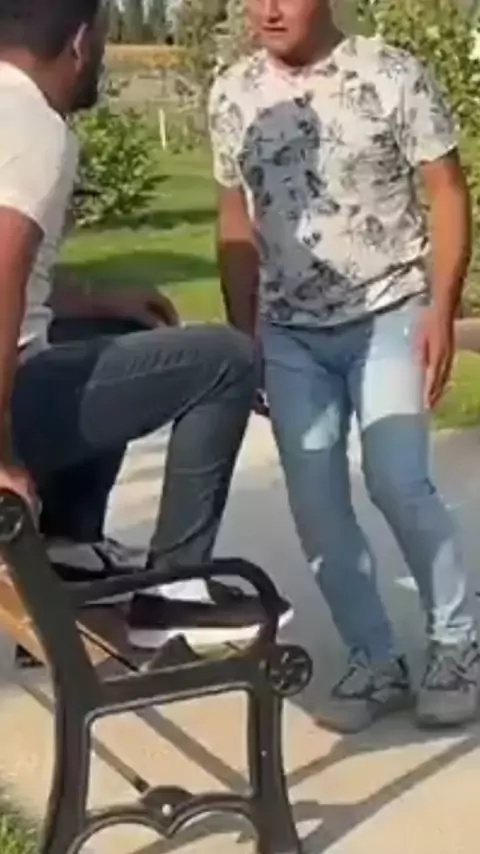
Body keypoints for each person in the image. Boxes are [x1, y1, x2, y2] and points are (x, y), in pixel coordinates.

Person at [208, 0, 479, 730]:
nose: (268, 10)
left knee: (397, 481)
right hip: (290, 333)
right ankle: (374, 660)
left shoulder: (391, 73)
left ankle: (457, 646)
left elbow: (447, 192)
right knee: (317, 505)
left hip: (389, 312)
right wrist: (243, 330)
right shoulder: (232, 91)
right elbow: (234, 213)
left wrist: (441, 310)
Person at [0, 0, 291, 653]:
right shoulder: (33, 124)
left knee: (123, 331)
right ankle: (176, 590)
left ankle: (70, 547)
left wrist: (99, 300)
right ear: (80, 42)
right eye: (103, 42)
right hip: (13, 402)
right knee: (226, 358)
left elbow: (22, 274)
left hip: (24, 384)